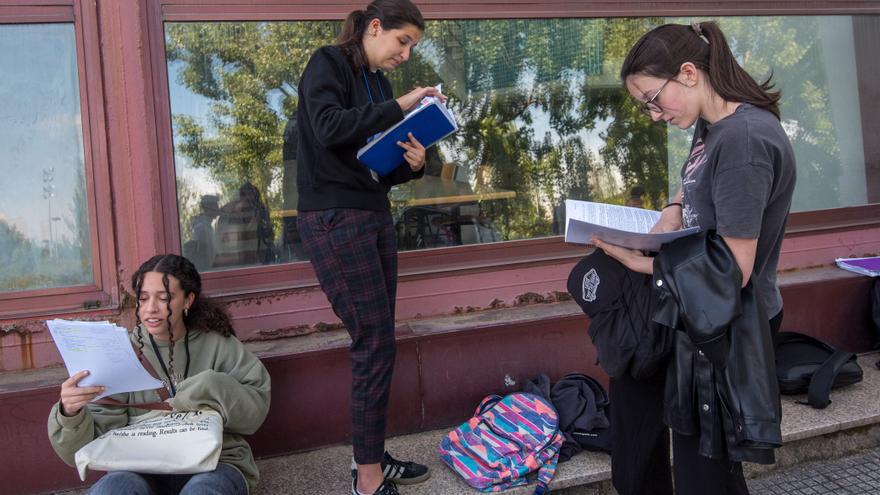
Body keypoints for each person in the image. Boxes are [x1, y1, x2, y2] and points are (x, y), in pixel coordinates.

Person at [592, 21, 796, 495]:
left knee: (706, 469)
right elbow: (694, 179)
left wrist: (637, 261)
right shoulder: (713, 124)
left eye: (651, 99)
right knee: (637, 399)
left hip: (730, 323)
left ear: (687, 73)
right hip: (695, 310)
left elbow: (734, 269)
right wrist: (671, 209)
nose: (653, 114)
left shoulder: (744, 140)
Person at [294, 1, 443, 494]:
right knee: (373, 341)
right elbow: (328, 127)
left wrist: (415, 162)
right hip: (335, 217)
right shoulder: (328, 62)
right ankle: (368, 478)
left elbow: (375, 165)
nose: (405, 55)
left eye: (412, 48)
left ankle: (370, 455)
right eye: (402, 41)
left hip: (372, 210)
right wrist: (402, 106)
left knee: (379, 341)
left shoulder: (378, 84)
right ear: (374, 28)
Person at [47, 254, 271, 495]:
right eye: (143, 299)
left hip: (217, 462)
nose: (150, 308)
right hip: (140, 464)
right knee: (112, 490)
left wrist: (211, 385)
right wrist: (70, 413)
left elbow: (254, 413)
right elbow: (78, 452)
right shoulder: (119, 354)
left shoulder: (219, 344)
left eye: (163, 298)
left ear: (188, 300)